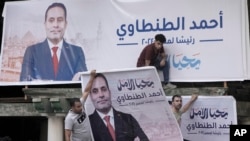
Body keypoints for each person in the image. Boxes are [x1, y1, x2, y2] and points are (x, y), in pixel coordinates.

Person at [20, 2, 87, 81]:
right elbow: (25, 82)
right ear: (45, 24)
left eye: (60, 20)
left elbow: (83, 82)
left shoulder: (77, 52)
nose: (55, 25)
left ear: (66, 24)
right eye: (51, 20)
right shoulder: (31, 52)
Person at [88, 73, 149, 141]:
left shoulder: (128, 119)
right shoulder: (87, 124)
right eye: (95, 91)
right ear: (91, 97)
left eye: (104, 89)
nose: (101, 95)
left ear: (109, 92)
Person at [64, 70, 96, 141]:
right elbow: (67, 134)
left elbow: (86, 91)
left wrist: (92, 77)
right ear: (72, 107)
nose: (81, 108)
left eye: (81, 105)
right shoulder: (69, 118)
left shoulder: (80, 102)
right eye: (78, 107)